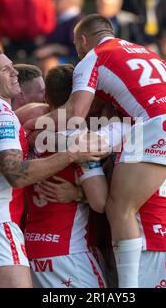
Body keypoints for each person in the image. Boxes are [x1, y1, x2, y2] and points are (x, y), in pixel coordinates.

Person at [28, 14, 166, 288]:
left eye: (76, 44)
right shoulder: (146, 51)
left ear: (83, 40)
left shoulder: (93, 57)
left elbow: (74, 112)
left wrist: (29, 124)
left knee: (120, 208)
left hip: (158, 123)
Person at [0, 47, 106, 288]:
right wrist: (71, 154)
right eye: (5, 70)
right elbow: (15, 174)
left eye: (11, 66)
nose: (14, 72)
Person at [19, 64, 107, 288]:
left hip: (32, 249)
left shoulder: (27, 136)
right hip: (69, 252)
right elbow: (99, 202)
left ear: (47, 96)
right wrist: (79, 194)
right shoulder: (82, 140)